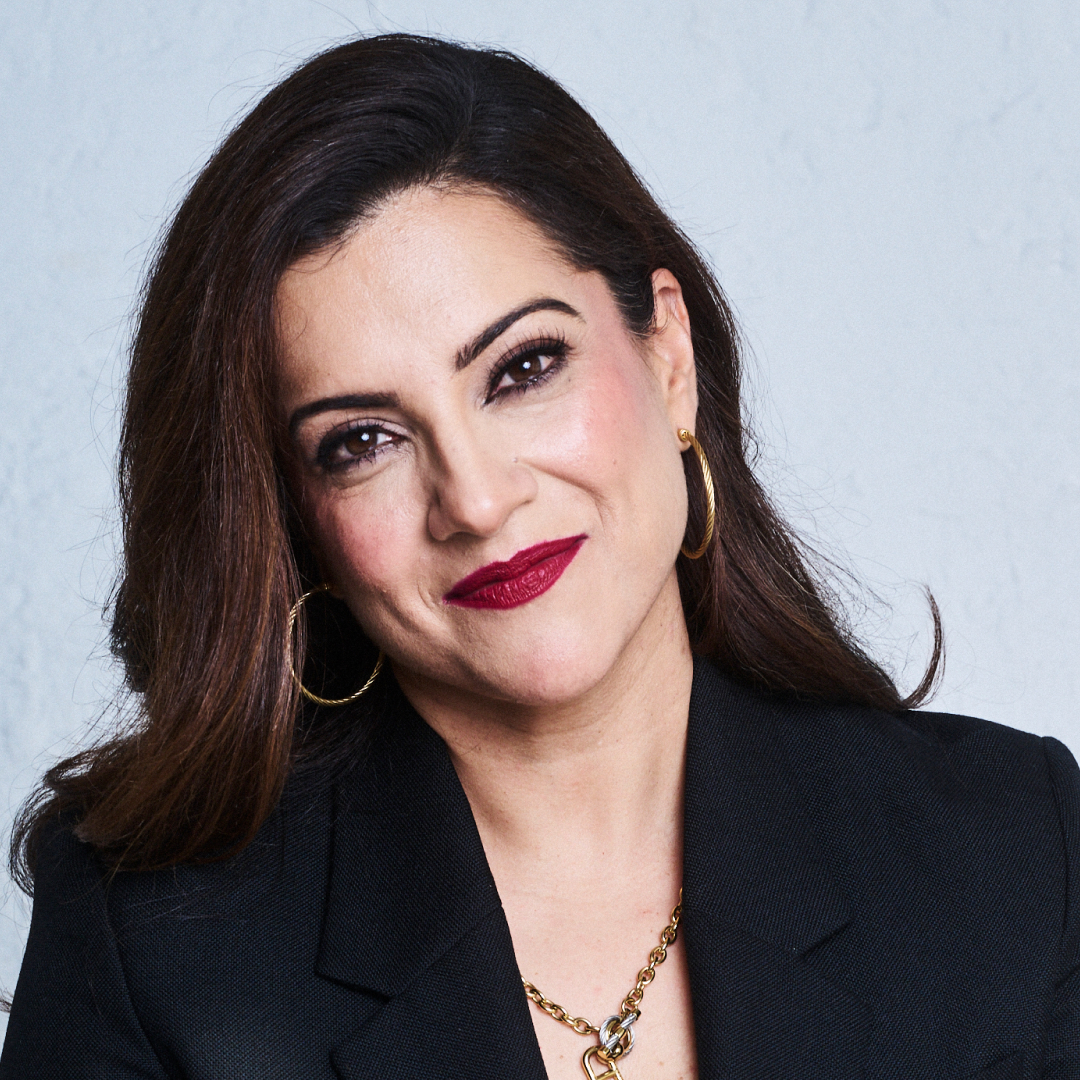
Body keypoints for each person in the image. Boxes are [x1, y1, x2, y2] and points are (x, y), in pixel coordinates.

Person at [2, 33, 1076, 1080]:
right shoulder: (153, 945)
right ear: (294, 521)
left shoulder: (1016, 851)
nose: (474, 498)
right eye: (361, 442)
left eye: (523, 368)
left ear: (667, 357)